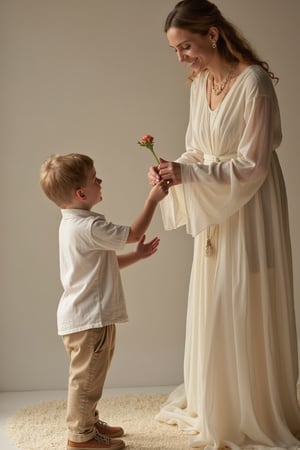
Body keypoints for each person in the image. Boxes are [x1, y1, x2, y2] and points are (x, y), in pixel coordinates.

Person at [148, 1, 300, 449]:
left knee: (245, 297)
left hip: (251, 205)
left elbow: (253, 164)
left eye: (186, 46)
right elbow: (197, 148)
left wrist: (191, 174)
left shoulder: (253, 83)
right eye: (175, 50)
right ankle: (219, 400)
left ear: (213, 34)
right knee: (215, 299)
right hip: (216, 202)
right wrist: (174, 168)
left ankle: (253, 404)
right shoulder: (200, 82)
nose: (181, 58)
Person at [40, 153, 168, 450]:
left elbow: (100, 268)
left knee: (91, 378)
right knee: (85, 380)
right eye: (95, 178)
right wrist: (153, 200)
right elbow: (134, 233)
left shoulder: (72, 224)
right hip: (90, 320)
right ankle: (80, 437)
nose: (100, 181)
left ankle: (89, 422)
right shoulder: (89, 227)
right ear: (81, 193)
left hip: (84, 317)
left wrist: (136, 256)